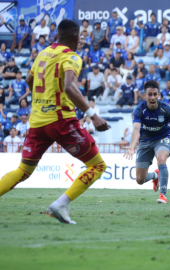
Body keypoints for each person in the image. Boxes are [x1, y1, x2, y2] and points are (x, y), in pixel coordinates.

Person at [0, 20, 109, 224]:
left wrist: (43, 101)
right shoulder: (71, 57)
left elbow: (29, 82)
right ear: (76, 39)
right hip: (61, 122)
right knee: (97, 166)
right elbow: (69, 87)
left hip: (37, 122)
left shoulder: (42, 53)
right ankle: (60, 204)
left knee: (23, 171)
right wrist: (93, 115)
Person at [124, 80, 170, 204]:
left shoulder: (167, 109)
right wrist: (131, 147)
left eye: (155, 94)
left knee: (161, 159)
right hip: (145, 141)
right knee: (140, 180)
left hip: (162, 138)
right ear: (144, 95)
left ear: (159, 95)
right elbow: (136, 130)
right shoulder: (139, 111)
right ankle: (156, 176)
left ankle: (163, 195)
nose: (152, 97)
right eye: (149, 94)